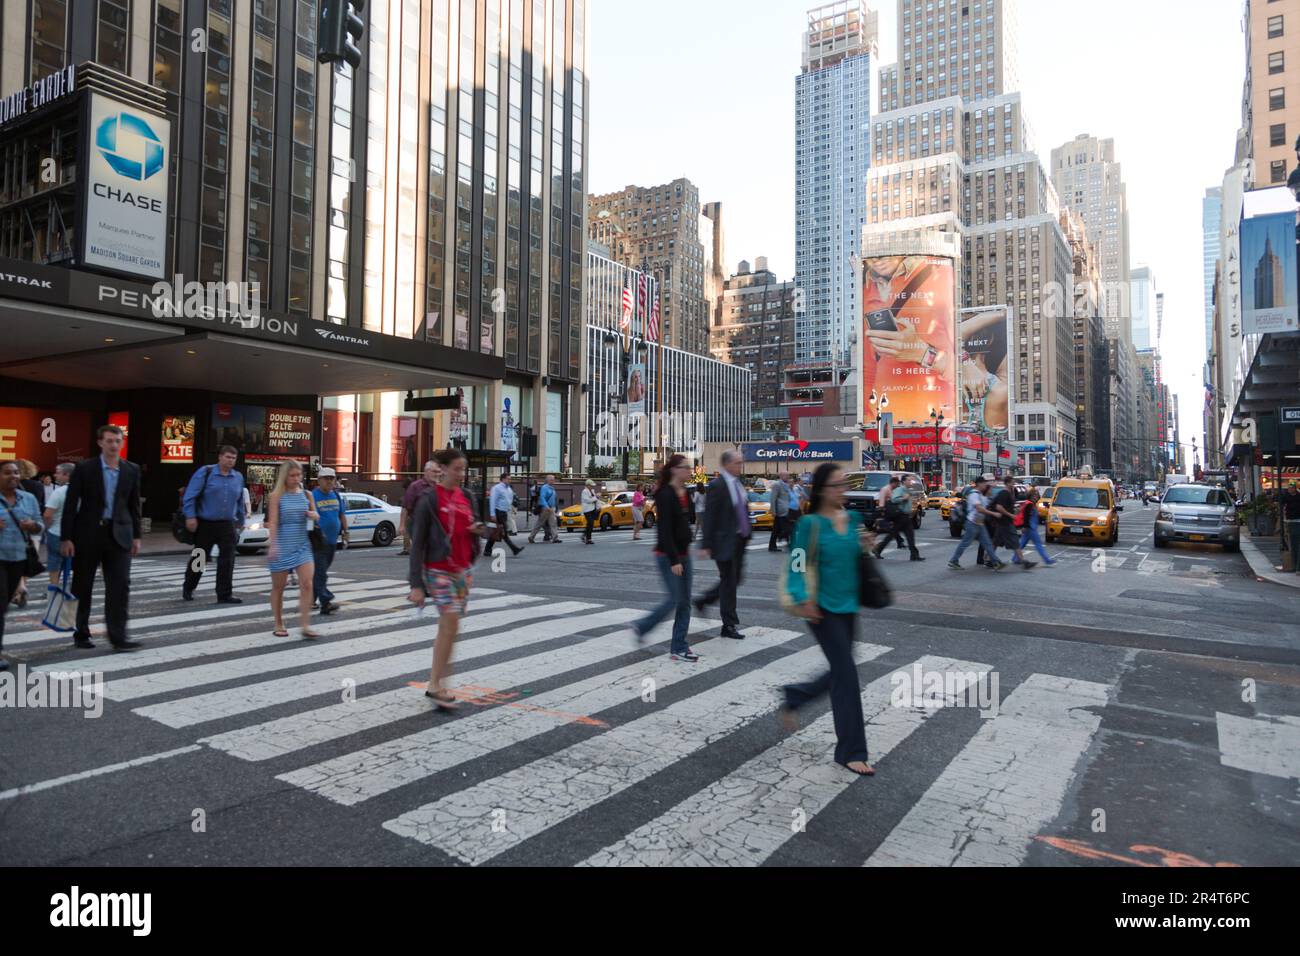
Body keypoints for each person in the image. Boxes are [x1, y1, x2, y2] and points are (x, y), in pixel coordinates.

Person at [778, 462, 876, 777]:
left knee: (840, 670)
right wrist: (801, 598)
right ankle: (851, 751)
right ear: (822, 490)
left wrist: (866, 547)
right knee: (846, 676)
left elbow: (859, 558)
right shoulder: (810, 525)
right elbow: (796, 564)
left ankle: (795, 696)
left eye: (844, 483)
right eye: (837, 485)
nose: (843, 489)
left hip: (849, 605)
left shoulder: (855, 520)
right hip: (820, 608)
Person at [407, 448, 490, 711]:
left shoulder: (467, 496)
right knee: (450, 623)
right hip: (438, 569)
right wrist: (416, 585)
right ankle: (437, 685)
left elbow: (477, 525)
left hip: (463, 571)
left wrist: (479, 530)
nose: (462, 474)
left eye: (463, 469)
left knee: (449, 628)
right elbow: (417, 543)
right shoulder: (429, 500)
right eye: (457, 469)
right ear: (443, 469)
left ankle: (436, 682)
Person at [60, 424, 143, 650]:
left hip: (120, 534)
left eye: (117, 441)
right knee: (82, 585)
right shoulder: (85, 468)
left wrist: (137, 535)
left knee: (120, 585)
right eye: (109, 441)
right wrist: (66, 538)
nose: (113, 445)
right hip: (88, 534)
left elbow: (134, 504)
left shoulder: (131, 469)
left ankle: (118, 636)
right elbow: (70, 505)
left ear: (122, 443)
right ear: (100, 443)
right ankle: (81, 633)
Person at [632, 456, 699, 661]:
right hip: (668, 556)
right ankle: (644, 625)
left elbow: (689, 520)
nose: (689, 470)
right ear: (674, 470)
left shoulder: (686, 492)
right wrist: (674, 560)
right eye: (685, 467)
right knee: (675, 599)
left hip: (685, 554)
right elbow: (665, 531)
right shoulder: (665, 494)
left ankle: (679, 646)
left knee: (685, 602)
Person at [695, 450, 751, 640]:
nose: (740, 466)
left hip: (739, 540)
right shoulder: (717, 485)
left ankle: (704, 600)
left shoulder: (738, 483)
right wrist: (706, 543)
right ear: (727, 464)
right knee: (729, 582)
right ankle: (729, 625)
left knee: (734, 580)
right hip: (724, 542)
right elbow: (709, 515)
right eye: (738, 463)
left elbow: (741, 509)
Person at [181, 445, 247, 604]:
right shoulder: (206, 472)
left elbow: (239, 501)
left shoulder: (237, 477)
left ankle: (224, 594)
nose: (230, 460)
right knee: (200, 558)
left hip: (227, 524)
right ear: (220, 457)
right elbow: (190, 496)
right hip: (206, 523)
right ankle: (189, 586)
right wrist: (190, 517)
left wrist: (241, 520)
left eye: (233, 458)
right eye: (227, 457)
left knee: (228, 560)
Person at [266, 460, 322, 639]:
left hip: (302, 544)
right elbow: (273, 522)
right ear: (284, 476)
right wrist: (273, 544)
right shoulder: (276, 496)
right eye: (292, 475)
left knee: (307, 584)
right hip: (282, 544)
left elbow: (316, 516)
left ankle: (305, 624)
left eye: (299, 475)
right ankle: (278, 622)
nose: (296, 478)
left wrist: (314, 515)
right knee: (278, 587)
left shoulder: (307, 494)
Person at [0, 461, 45, 671]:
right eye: (8, 473)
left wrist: (33, 525)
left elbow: (40, 526)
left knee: (4, 605)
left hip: (18, 559)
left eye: (16, 472)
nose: (13, 476)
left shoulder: (29, 498)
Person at [312, 468, 349, 615]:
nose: (329, 481)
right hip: (318, 541)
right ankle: (325, 602)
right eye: (326, 478)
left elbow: (341, 515)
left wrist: (346, 532)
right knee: (321, 572)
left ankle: (310, 599)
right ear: (319, 480)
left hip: (333, 541)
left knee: (320, 572)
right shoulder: (312, 496)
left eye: (331, 478)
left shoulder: (336, 495)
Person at [948, 474, 1002, 571]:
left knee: (987, 543)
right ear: (979, 484)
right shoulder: (974, 494)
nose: (986, 485)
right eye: (984, 483)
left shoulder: (981, 495)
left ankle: (996, 562)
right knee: (965, 543)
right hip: (972, 523)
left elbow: (986, 505)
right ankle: (953, 561)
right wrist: (993, 513)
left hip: (980, 524)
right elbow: (979, 508)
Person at [9, 459, 45, 607]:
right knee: (29, 559)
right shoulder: (38, 486)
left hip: (16, 527)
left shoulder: (12, 486)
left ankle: (19, 589)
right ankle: (22, 586)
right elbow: (41, 506)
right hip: (33, 527)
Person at [875, 476, 924, 561]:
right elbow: (894, 500)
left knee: (908, 535)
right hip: (900, 516)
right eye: (908, 480)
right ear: (904, 482)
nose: (910, 482)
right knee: (895, 535)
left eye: (911, 480)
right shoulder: (900, 490)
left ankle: (914, 555)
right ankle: (878, 550)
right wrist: (903, 498)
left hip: (905, 516)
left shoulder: (907, 490)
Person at [41, 463, 74, 591]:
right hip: (76, 534)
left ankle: (54, 588)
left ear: (67, 475)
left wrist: (47, 528)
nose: (55, 475)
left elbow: (48, 515)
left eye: (58, 472)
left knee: (54, 561)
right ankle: (71, 588)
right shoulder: (85, 491)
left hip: (56, 531)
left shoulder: (59, 492)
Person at [398, 460, 441, 556]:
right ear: (426, 472)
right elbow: (405, 507)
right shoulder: (415, 487)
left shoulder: (440, 487)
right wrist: (402, 525)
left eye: (438, 472)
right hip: (417, 523)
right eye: (434, 471)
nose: (437, 474)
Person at [991, 476, 1034, 570]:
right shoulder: (1004, 493)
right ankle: (1023, 562)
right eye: (1012, 483)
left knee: (996, 542)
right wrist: (1010, 515)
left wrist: (1017, 510)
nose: (1013, 484)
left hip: (1003, 522)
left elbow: (1007, 508)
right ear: (1007, 483)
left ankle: (987, 559)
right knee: (1015, 541)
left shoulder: (1009, 494)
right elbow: (999, 507)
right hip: (1006, 522)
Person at [484, 473, 524, 557]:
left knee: (496, 531)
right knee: (503, 532)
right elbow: (493, 501)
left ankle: (487, 550)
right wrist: (492, 514)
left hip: (504, 512)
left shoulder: (509, 489)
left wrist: (508, 510)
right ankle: (514, 549)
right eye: (508, 479)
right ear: (502, 479)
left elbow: (509, 500)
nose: (509, 480)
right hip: (498, 512)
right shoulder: (497, 488)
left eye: (510, 479)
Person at [1015, 487, 1056, 567]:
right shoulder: (1029, 504)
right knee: (1038, 544)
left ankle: (1015, 558)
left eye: (1037, 496)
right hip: (1031, 528)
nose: (1036, 497)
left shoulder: (1030, 503)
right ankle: (1047, 560)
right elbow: (1026, 516)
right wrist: (1025, 526)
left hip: (1029, 528)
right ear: (1031, 496)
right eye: (1035, 496)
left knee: (1022, 544)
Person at [529, 475, 561, 544]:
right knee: (540, 523)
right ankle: (531, 536)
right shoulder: (545, 488)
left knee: (553, 523)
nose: (553, 481)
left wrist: (555, 508)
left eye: (553, 479)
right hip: (546, 508)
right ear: (547, 480)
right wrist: (546, 506)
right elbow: (542, 498)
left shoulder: (551, 488)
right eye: (552, 479)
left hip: (551, 508)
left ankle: (555, 537)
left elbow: (554, 499)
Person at [769, 473, 792, 552]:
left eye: (788, 475)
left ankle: (772, 546)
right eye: (786, 475)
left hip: (785, 510)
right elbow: (773, 498)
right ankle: (784, 539)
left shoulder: (786, 485)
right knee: (786, 529)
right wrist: (773, 510)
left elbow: (787, 498)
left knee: (776, 530)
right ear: (781, 476)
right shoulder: (777, 484)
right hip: (780, 511)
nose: (788, 476)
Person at [1282, 481, 1300, 574]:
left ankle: (1297, 567)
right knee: (1293, 545)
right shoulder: (1286, 496)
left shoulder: (1298, 496)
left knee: (1296, 545)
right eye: (1289, 487)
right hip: (1290, 521)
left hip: (1297, 521)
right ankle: (1294, 565)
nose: (1290, 489)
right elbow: (1281, 503)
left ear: (1295, 488)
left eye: (1292, 487)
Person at [580, 479, 600, 545]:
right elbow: (588, 500)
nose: (592, 487)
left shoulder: (592, 491)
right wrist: (596, 497)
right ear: (587, 485)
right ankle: (588, 538)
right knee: (590, 523)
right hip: (587, 510)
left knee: (590, 524)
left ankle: (586, 537)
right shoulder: (584, 491)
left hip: (593, 509)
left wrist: (598, 507)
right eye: (591, 485)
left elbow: (596, 500)